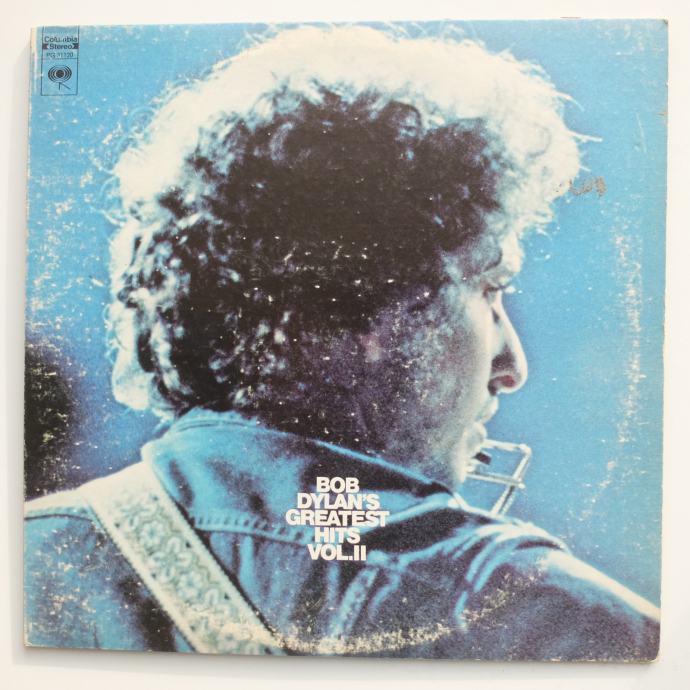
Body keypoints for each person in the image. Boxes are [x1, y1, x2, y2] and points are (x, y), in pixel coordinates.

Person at [24, 25, 660, 659]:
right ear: (363, 313)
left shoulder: (28, 561)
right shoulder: (553, 623)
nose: (510, 365)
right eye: (488, 291)